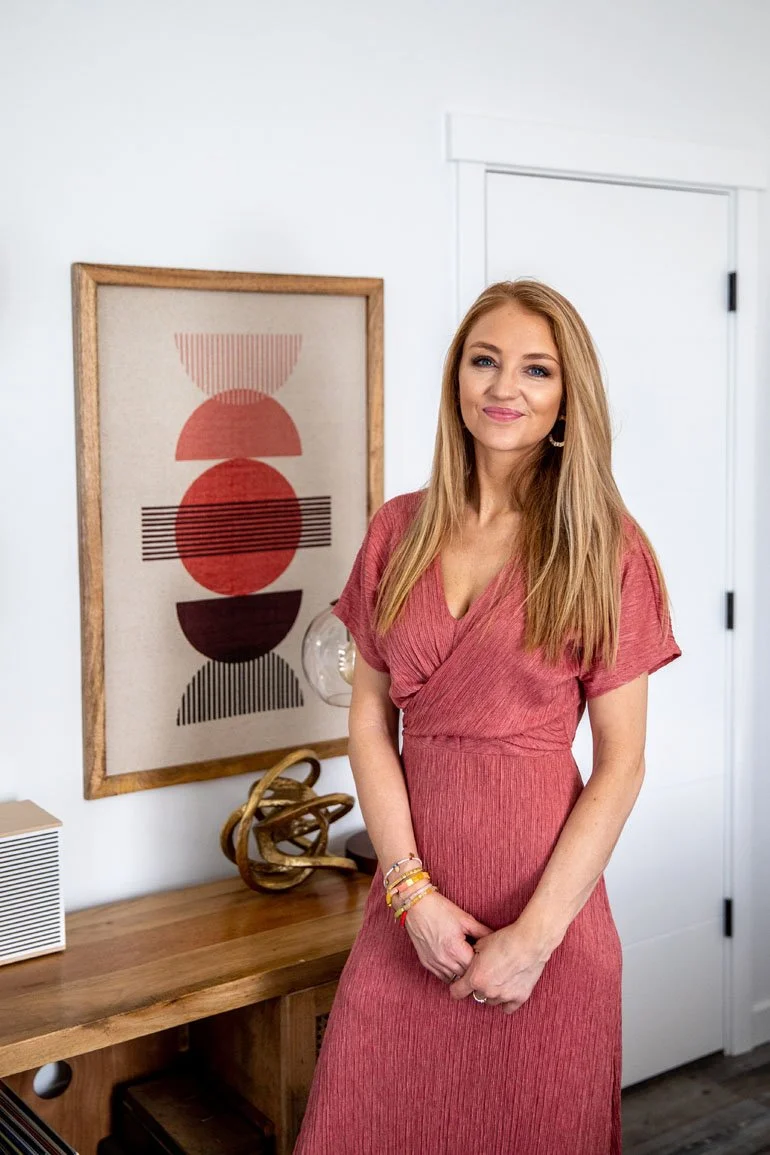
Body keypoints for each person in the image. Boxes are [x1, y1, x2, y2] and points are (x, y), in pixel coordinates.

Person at [292, 278, 682, 1155]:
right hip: (412, 916)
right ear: (456, 378)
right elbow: (368, 722)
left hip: (548, 928)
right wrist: (409, 893)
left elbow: (622, 763)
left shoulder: (606, 547)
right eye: (485, 360)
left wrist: (535, 941)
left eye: (536, 369)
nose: (504, 387)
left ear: (564, 398)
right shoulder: (397, 531)